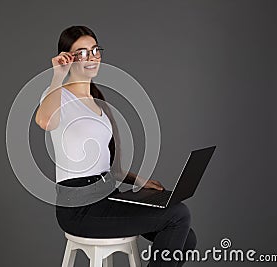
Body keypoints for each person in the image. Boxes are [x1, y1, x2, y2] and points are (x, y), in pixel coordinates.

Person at [35, 25, 196, 267]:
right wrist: (58, 75)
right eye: (82, 53)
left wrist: (138, 180)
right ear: (67, 58)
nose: (92, 58)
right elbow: (45, 121)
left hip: (108, 196)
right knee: (178, 216)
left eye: (95, 50)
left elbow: (110, 168)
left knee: (186, 236)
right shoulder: (57, 95)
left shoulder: (98, 103)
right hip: (79, 209)